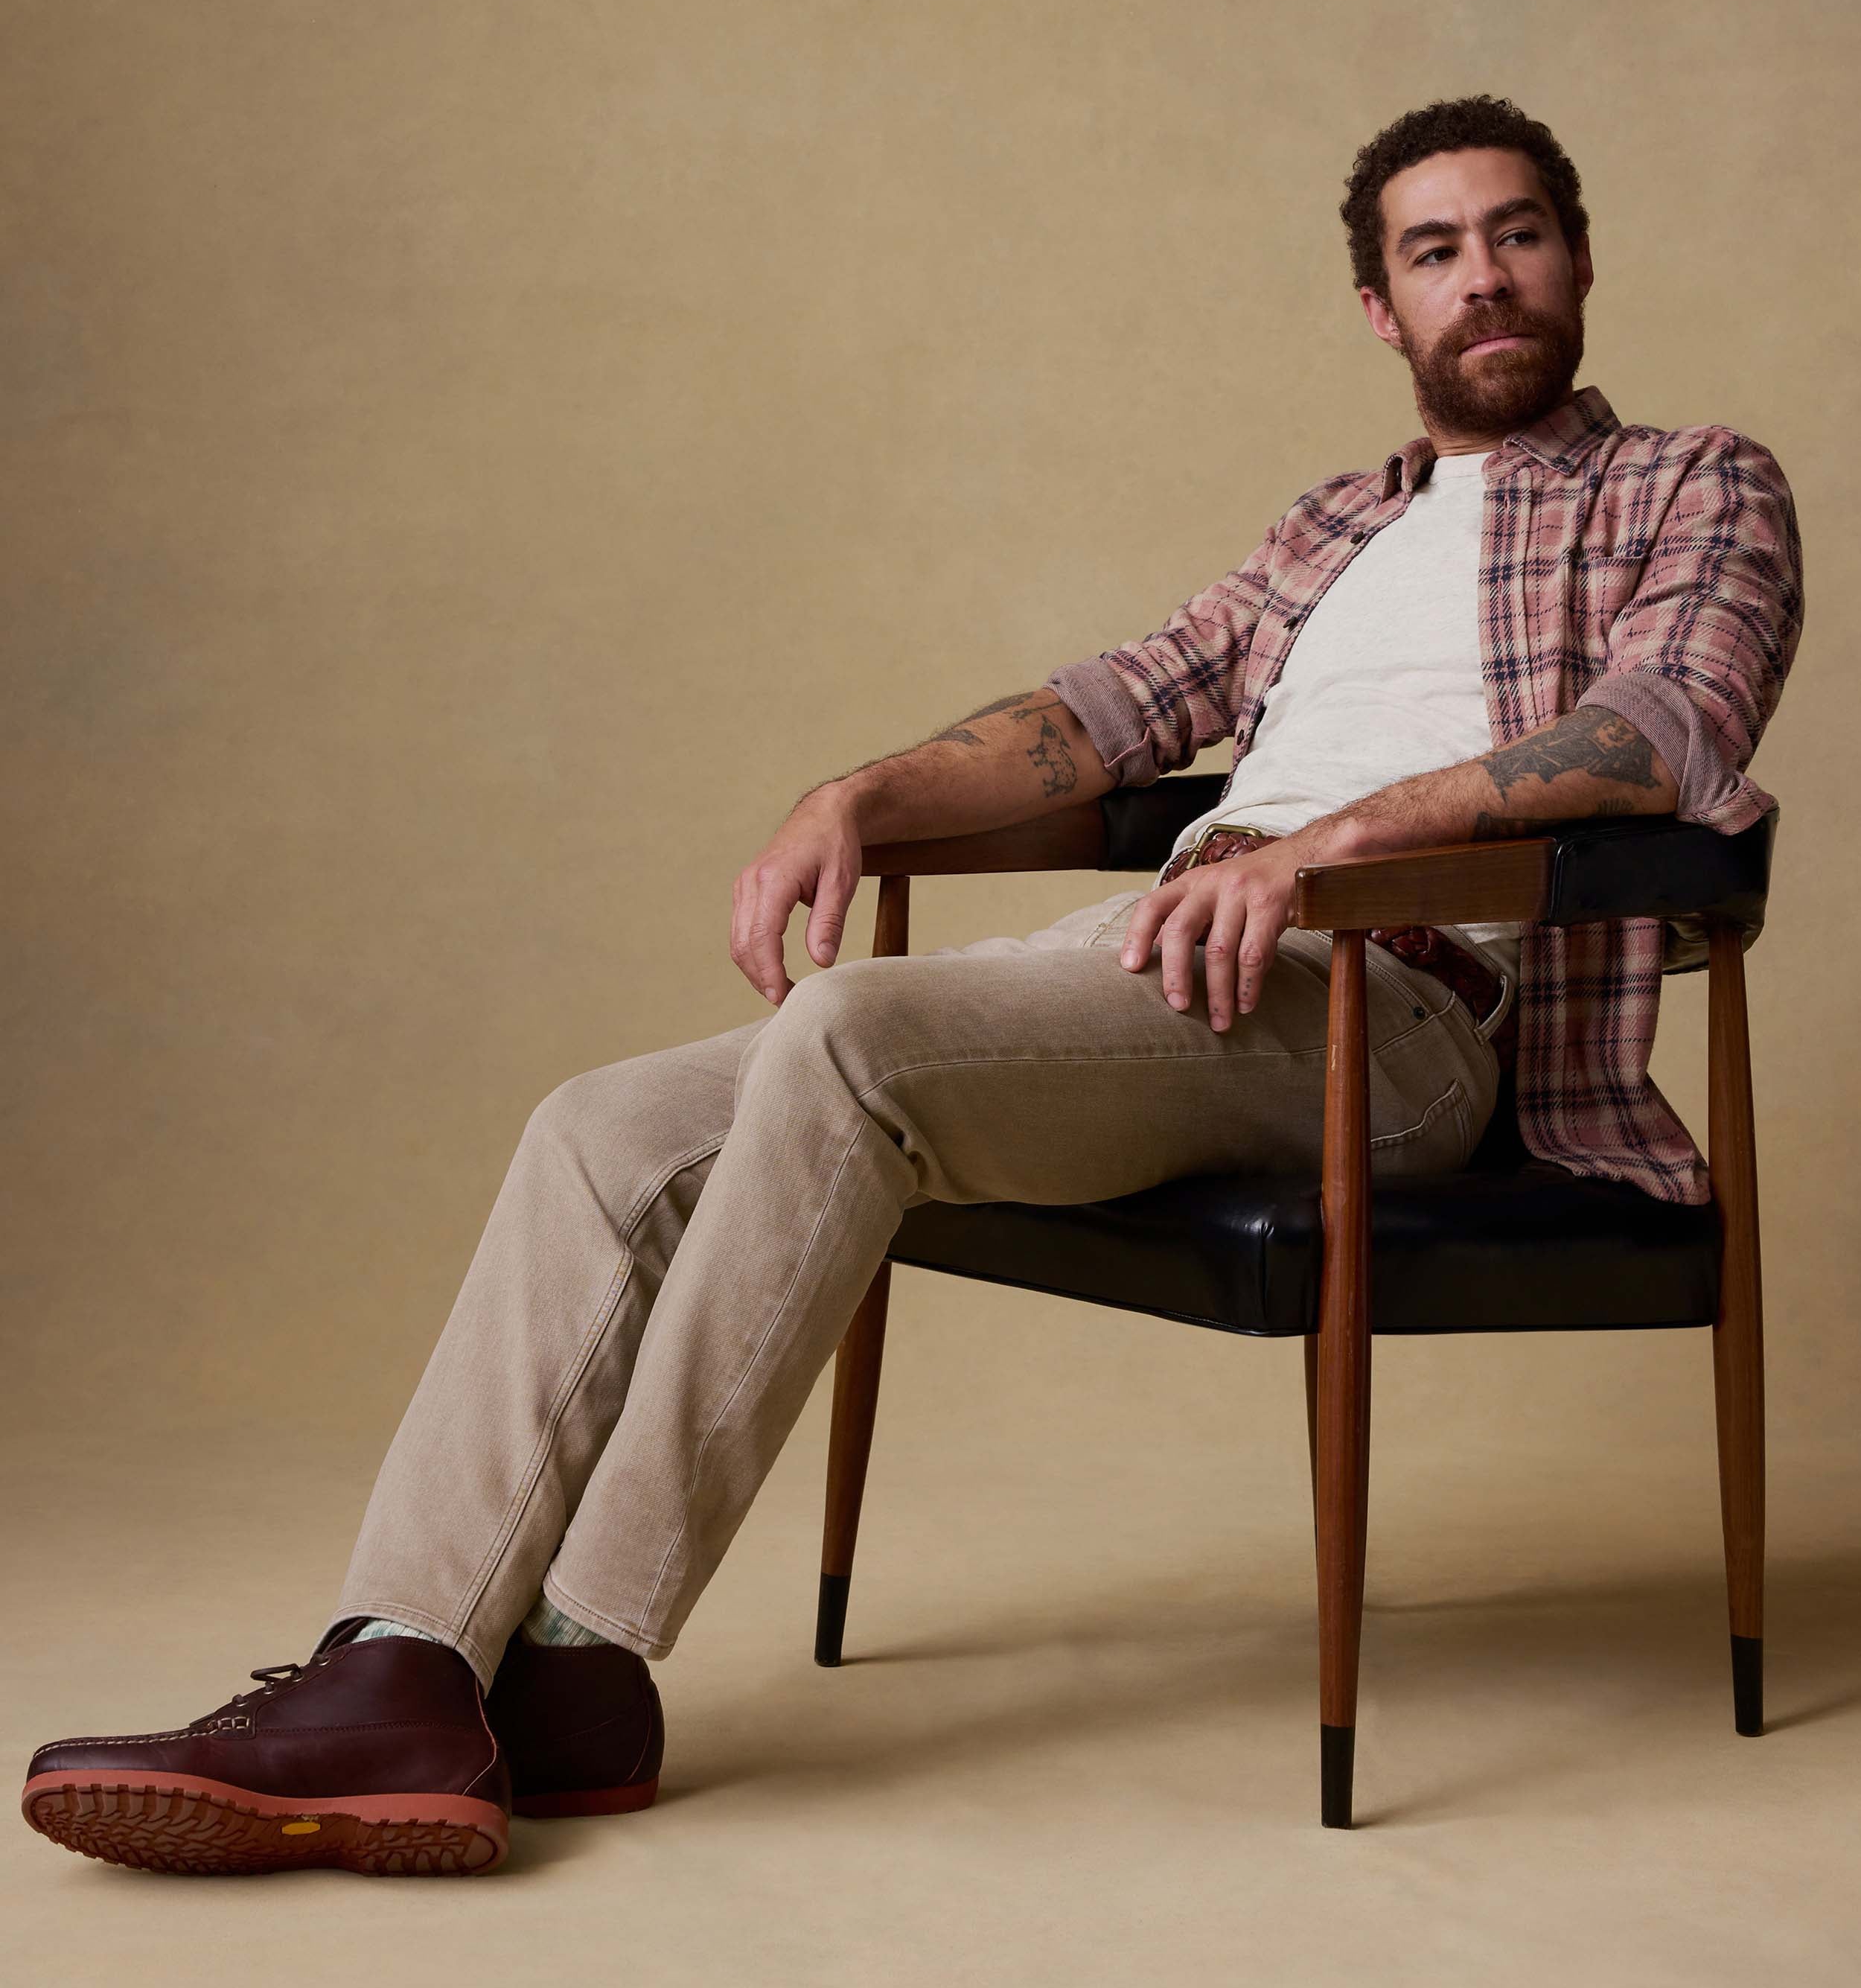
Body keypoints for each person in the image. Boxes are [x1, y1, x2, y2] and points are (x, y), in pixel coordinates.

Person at [22, 95, 1804, 1877]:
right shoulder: (1332, 528)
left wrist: (1322, 846)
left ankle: (577, 1656)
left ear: (1576, 257)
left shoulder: (1695, 484)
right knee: (601, 1126)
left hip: (1393, 1014)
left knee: (850, 1035)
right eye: (1433, 250)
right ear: (1377, 304)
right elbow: (1110, 709)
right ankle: (400, 1658)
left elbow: (1657, 732)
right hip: (1166, 960)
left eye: (1513, 234)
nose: (1479, 277)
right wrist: (853, 796)